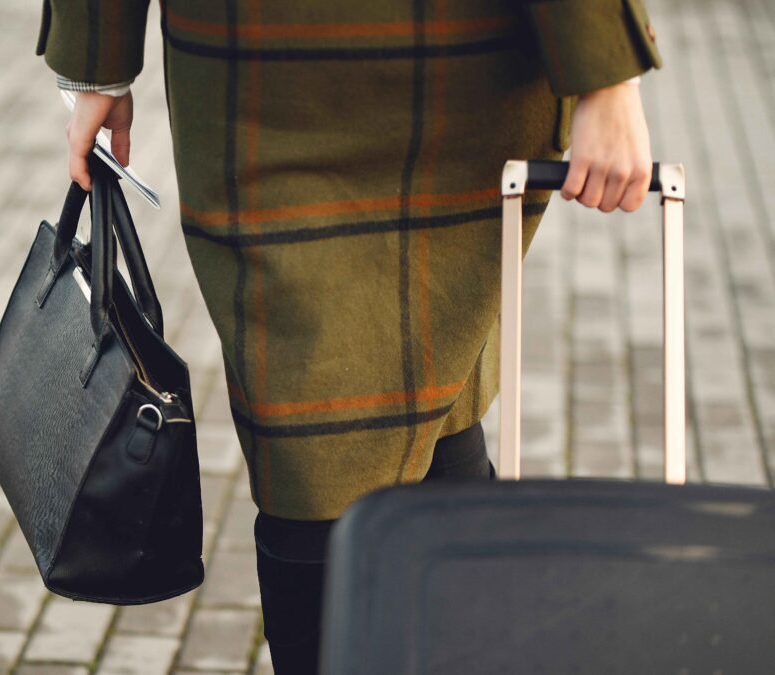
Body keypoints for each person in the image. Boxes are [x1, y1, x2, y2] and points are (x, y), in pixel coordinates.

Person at [36, 1, 662, 671]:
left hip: (463, 72)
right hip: (259, 79)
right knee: (309, 447)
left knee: (443, 382)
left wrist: (606, 75)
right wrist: (97, 61)